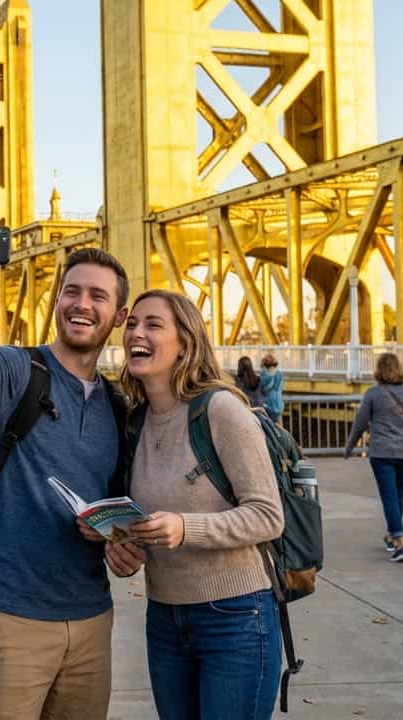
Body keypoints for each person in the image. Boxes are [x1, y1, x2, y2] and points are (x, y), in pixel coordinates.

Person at [0, 221, 132, 720]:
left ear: (119, 316)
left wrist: (125, 544)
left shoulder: (118, 407)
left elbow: (117, 505)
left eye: (98, 297)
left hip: (91, 621)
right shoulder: (15, 373)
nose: (82, 304)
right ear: (56, 302)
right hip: (7, 620)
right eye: (71, 292)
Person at [97, 288, 285, 720]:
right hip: (164, 618)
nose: (135, 334)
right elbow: (147, 517)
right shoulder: (135, 422)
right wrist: (124, 549)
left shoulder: (221, 410)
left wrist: (185, 529)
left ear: (185, 344)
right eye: (132, 325)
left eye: (153, 325)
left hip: (236, 618)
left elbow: (268, 515)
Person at [343, 353, 403, 563]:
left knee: (389, 497)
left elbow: (360, 423)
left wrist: (349, 447)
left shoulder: (373, 394)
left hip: (382, 453)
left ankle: (400, 543)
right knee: (397, 495)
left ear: (379, 370)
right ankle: (392, 535)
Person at [259, 354, 284, 424]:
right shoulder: (279, 374)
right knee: (280, 430)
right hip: (278, 406)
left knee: (267, 430)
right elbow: (279, 389)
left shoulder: (264, 375)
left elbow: (263, 390)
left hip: (267, 407)